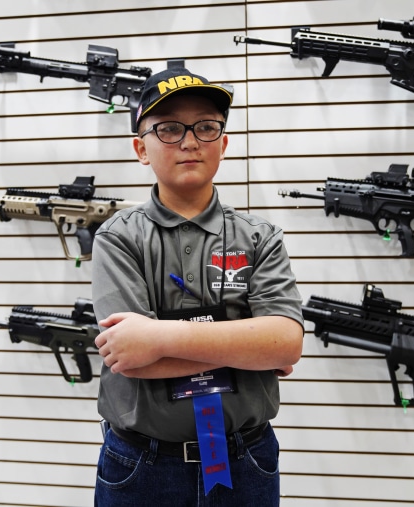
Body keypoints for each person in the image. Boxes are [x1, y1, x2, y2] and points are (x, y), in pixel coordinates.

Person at [91, 66, 304, 506]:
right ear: (141, 148)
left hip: (246, 460)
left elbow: (284, 345)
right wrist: (246, 346)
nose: (189, 141)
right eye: (168, 129)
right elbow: (130, 358)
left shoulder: (259, 237)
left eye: (206, 127)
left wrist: (160, 337)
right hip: (140, 465)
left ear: (223, 144)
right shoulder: (118, 238)